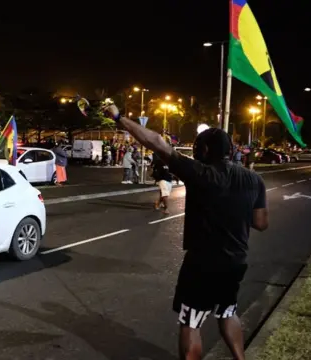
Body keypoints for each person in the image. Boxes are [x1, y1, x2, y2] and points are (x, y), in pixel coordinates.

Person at [102, 104, 268, 360]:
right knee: (227, 311)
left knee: (191, 321)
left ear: (204, 150)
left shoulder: (200, 173)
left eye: (197, 148)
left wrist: (118, 117)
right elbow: (260, 223)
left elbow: (157, 142)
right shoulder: (254, 179)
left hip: (202, 263)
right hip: (236, 261)